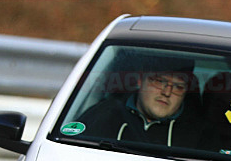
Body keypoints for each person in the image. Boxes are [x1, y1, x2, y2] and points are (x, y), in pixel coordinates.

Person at [76, 58, 214, 148]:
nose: (167, 92)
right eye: (159, 81)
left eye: (178, 87)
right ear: (140, 80)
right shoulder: (103, 115)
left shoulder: (200, 135)